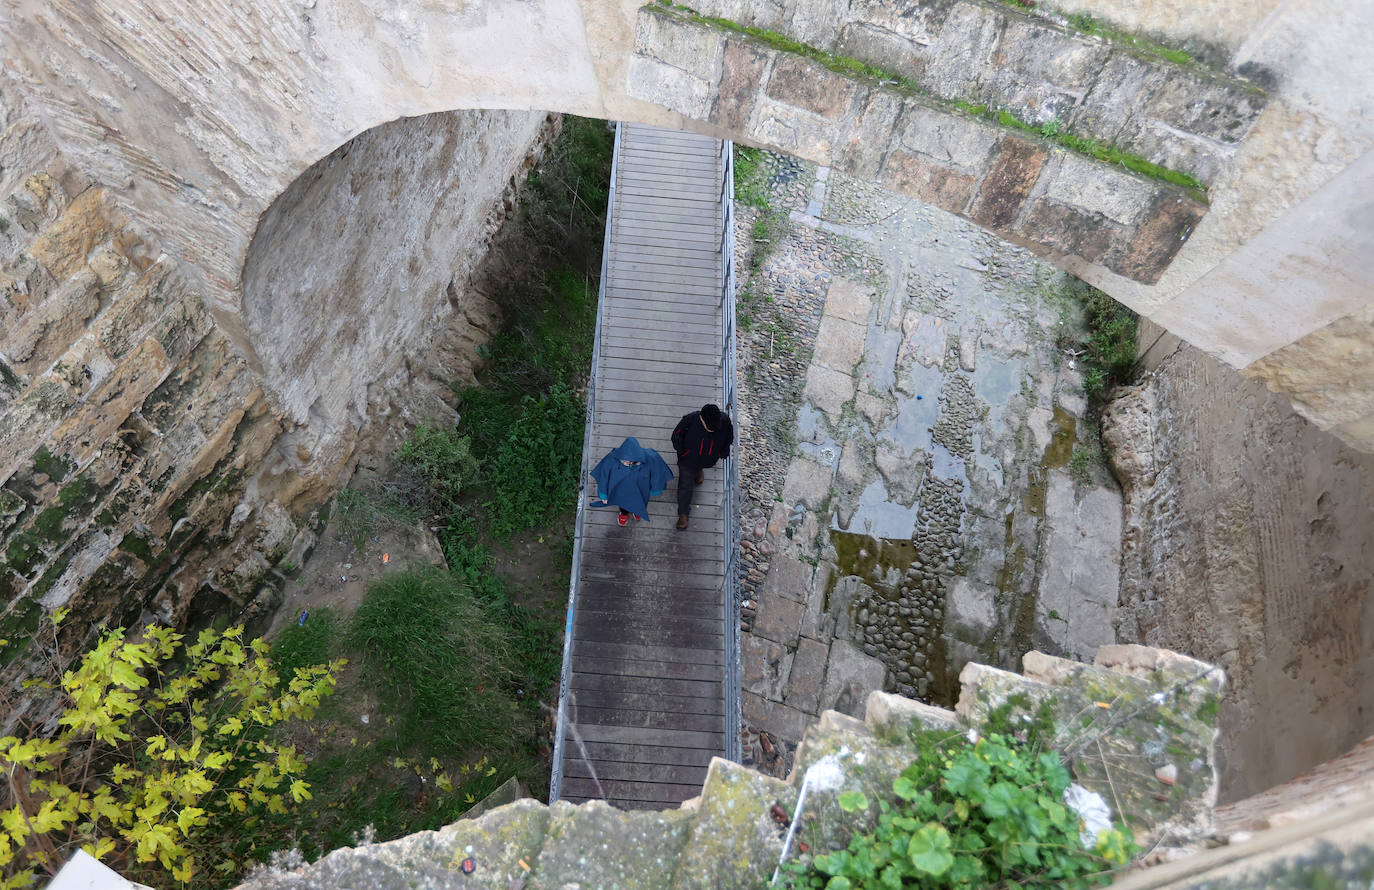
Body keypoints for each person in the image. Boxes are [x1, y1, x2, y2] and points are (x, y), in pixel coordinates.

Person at [670, 403, 734, 529]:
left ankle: (699, 470)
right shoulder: (689, 420)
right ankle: (683, 514)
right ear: (701, 418)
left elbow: (728, 437)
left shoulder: (725, 421)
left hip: (708, 459)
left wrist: (724, 452)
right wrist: (682, 452)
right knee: (685, 486)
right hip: (688, 461)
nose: (713, 430)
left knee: (700, 467)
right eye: (709, 428)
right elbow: (676, 436)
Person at [590, 437, 672, 526]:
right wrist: (604, 494)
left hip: (641, 488)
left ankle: (638, 511)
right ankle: (624, 514)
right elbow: (604, 476)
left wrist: (656, 488)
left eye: (628, 461)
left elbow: (657, 473)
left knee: (640, 501)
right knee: (623, 503)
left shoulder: (650, 458)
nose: (625, 463)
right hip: (621, 489)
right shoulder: (611, 459)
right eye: (624, 460)